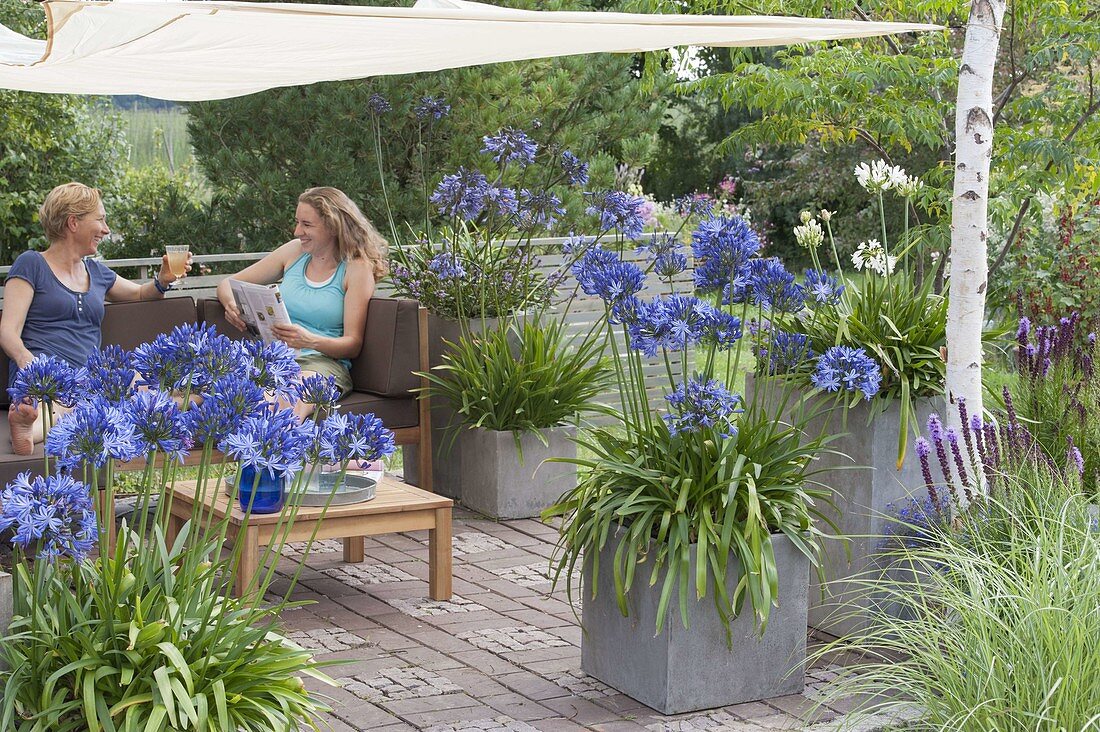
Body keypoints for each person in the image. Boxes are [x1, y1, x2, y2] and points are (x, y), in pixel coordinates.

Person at [0, 182, 192, 455]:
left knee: (142, 385)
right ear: (73, 223)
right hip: (45, 374)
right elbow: (7, 330)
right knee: (57, 402)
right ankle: (27, 424)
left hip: (90, 377)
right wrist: (25, 360)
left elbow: (138, 294)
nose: (106, 229)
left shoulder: (97, 272)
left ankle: (188, 400)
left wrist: (162, 280)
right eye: (100, 219)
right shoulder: (31, 264)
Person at [216, 186, 388, 418]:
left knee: (284, 402)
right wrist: (231, 305)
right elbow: (227, 283)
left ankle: (278, 450)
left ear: (333, 226)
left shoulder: (357, 269)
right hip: (273, 359)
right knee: (212, 391)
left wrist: (309, 340)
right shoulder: (294, 252)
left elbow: (353, 344)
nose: (298, 231)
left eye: (307, 224)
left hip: (320, 364)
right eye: (297, 222)